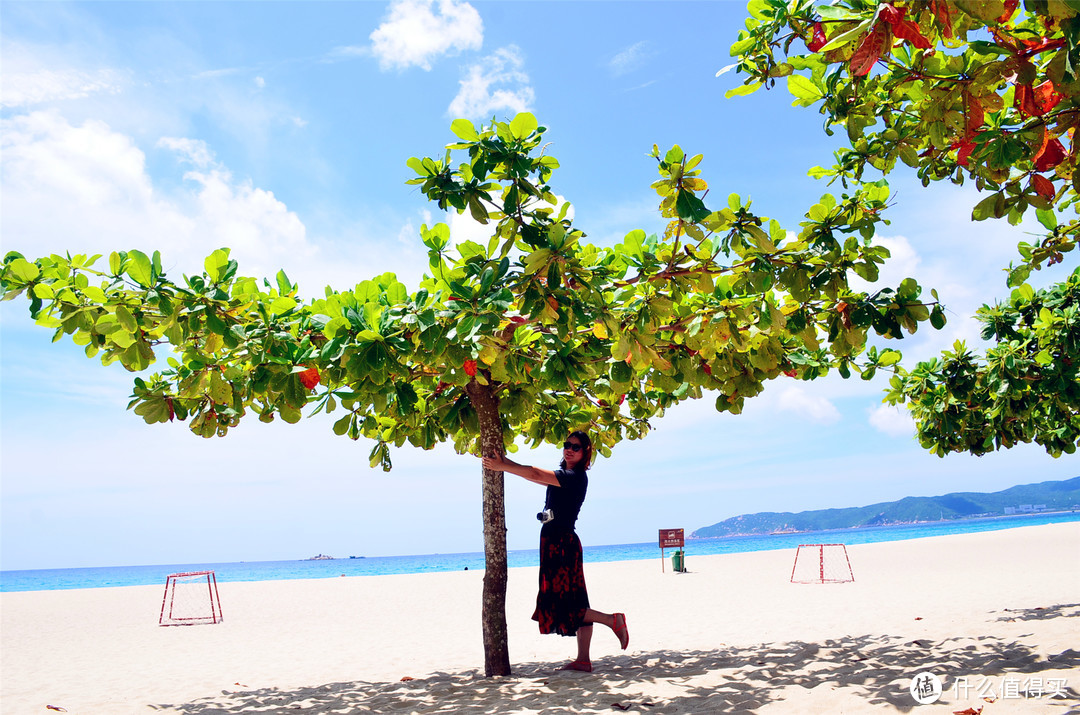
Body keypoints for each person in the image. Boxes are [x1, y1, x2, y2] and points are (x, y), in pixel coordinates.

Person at [481, 430, 629, 672]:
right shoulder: (564, 476)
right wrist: (505, 464)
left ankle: (612, 620)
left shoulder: (576, 477)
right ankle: (583, 659)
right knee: (577, 599)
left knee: (566, 603)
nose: (569, 449)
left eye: (576, 447)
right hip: (555, 541)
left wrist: (502, 467)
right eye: (566, 444)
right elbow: (535, 477)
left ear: (586, 453)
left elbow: (535, 473)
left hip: (561, 544)